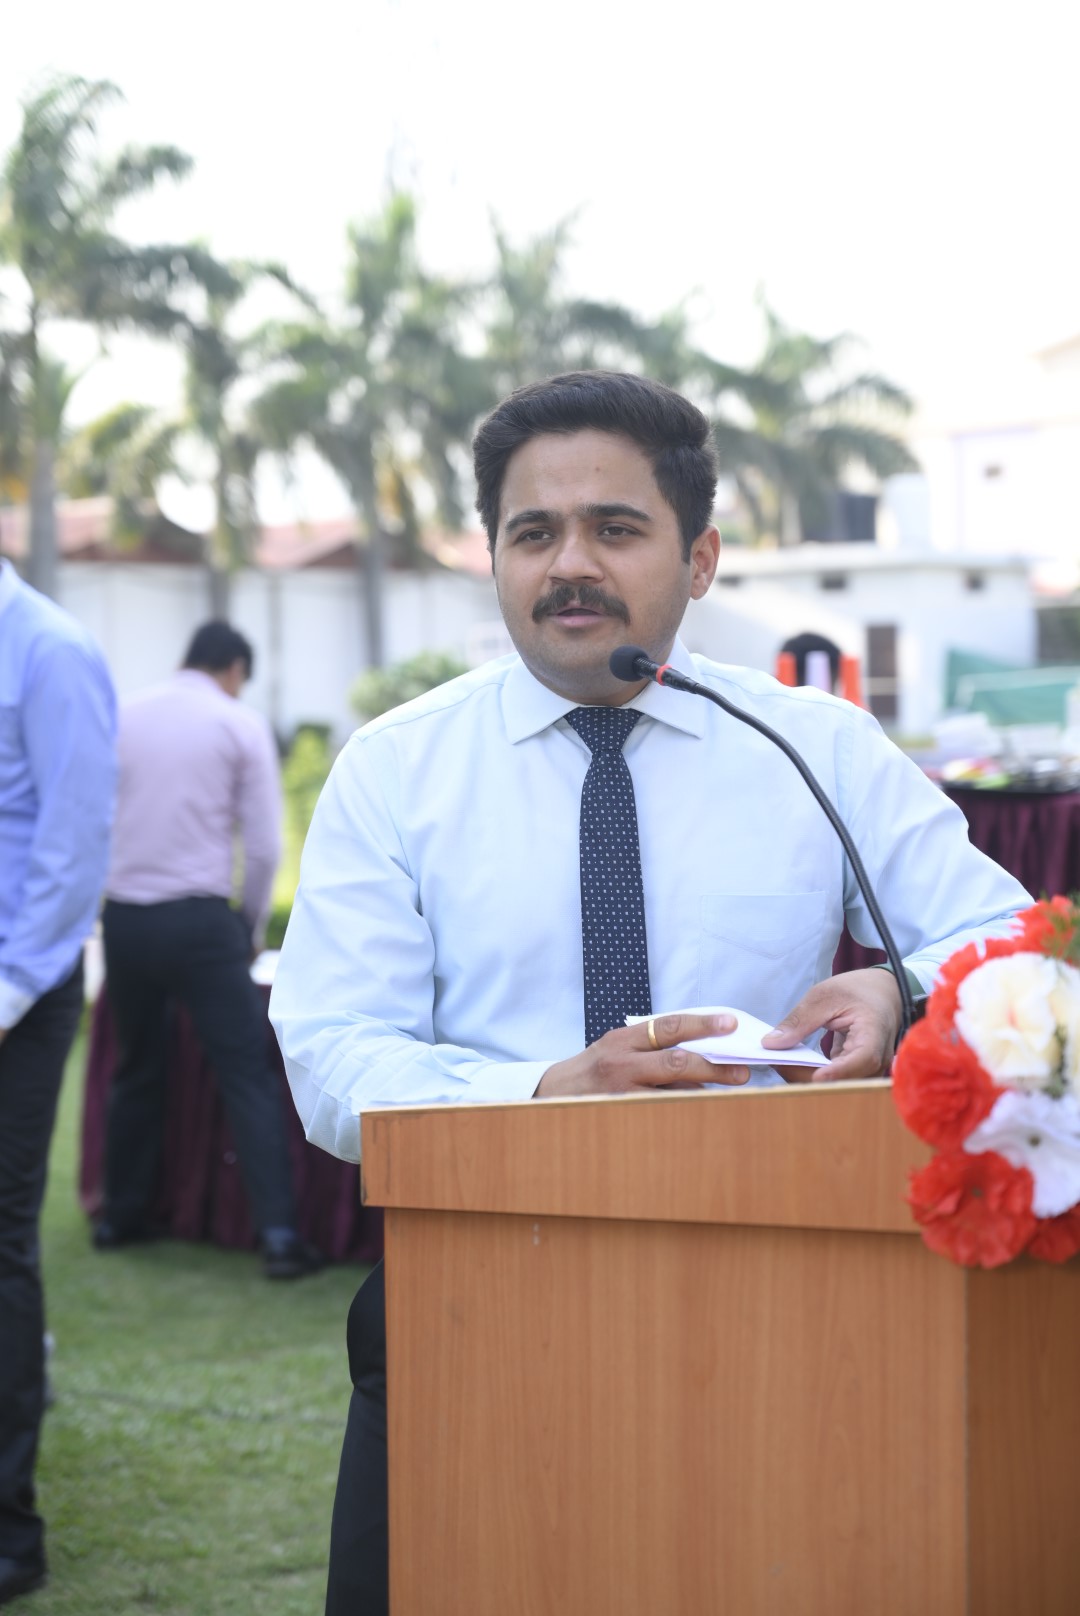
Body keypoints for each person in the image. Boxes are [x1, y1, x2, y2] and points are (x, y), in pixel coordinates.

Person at [268, 371, 1030, 1615]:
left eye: (615, 528)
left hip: (777, 1293)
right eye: (533, 531)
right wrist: (541, 1090)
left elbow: (1011, 936)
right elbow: (331, 1050)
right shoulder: (395, 769)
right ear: (494, 557)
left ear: (701, 557)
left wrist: (898, 986)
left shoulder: (814, 743)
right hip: (476, 1291)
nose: (570, 563)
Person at [94, 621, 319, 1280]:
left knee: (135, 1068)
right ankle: (279, 1236)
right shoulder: (237, 721)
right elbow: (266, 846)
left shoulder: (123, 714)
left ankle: (120, 1216)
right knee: (246, 1075)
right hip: (200, 920)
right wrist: (247, 923)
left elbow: (97, 815)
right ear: (234, 669)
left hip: (126, 918)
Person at [0, 557, 117, 1607]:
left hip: (14, 996)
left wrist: (5, 990)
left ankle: (10, 1534)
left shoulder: (47, 649)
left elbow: (75, 842)